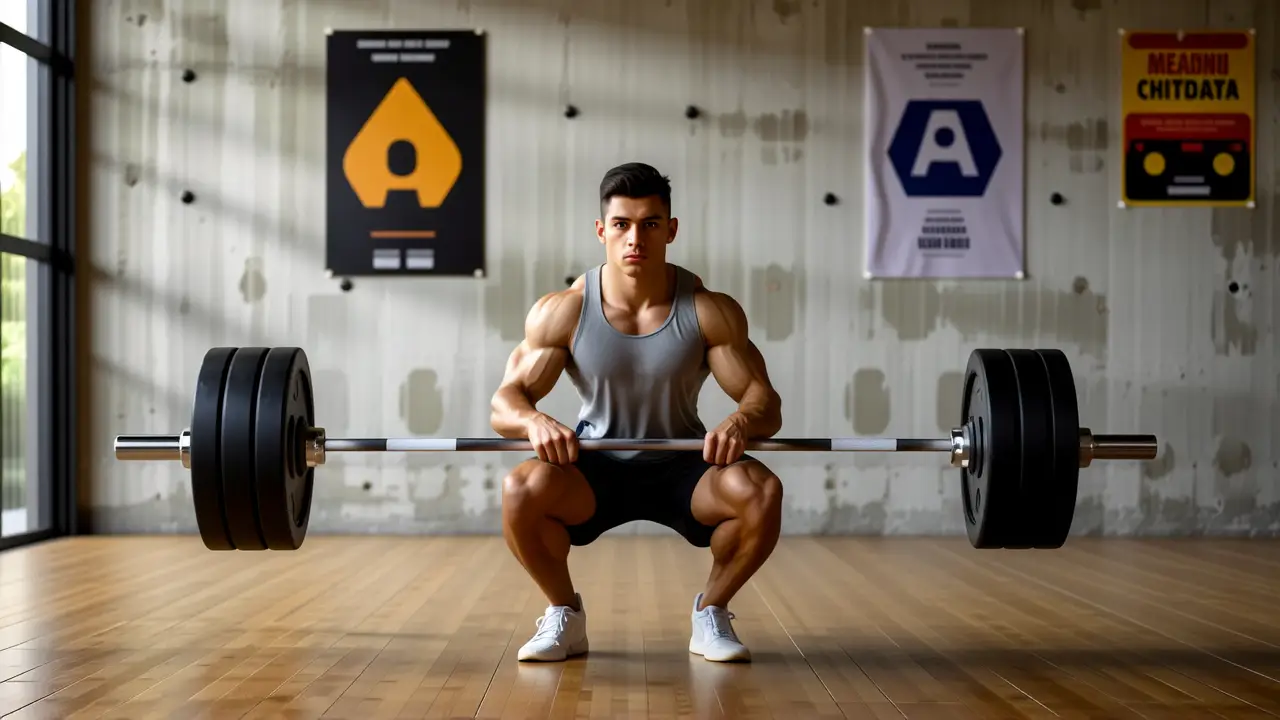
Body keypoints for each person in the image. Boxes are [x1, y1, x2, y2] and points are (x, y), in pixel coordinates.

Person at [489, 162, 784, 663]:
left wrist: (740, 421)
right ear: (601, 230)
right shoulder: (565, 310)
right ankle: (564, 614)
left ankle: (711, 612)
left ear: (670, 230)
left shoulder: (708, 310)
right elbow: (506, 401)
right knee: (521, 489)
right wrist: (534, 421)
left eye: (650, 224)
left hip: (684, 463)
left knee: (760, 491)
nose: (635, 239)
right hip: (594, 463)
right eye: (622, 224)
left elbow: (764, 402)